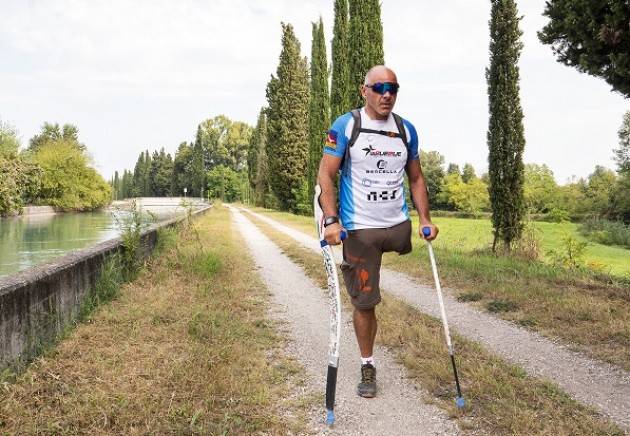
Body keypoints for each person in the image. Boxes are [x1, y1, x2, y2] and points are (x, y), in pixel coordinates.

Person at [317, 65, 438, 398]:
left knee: (390, 276)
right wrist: (331, 221)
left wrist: (425, 219)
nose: (387, 94)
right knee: (365, 302)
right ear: (364, 90)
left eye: (394, 88)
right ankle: (368, 365)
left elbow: (416, 178)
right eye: (380, 87)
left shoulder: (406, 130)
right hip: (360, 230)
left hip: (397, 227)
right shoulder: (347, 126)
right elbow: (325, 176)